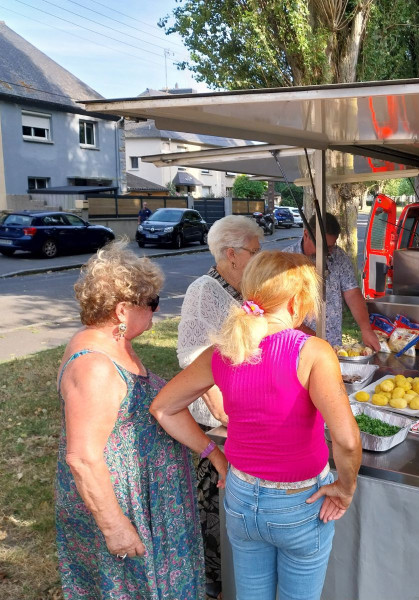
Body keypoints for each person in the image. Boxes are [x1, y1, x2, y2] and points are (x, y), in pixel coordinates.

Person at [151, 251, 362, 600]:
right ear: (296, 302)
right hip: (300, 501)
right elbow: (347, 440)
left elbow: (163, 408)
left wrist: (214, 455)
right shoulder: (312, 352)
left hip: (240, 496)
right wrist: (345, 487)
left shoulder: (222, 352)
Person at [55, 241, 203, 599]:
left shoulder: (116, 343)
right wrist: (115, 526)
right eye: (151, 303)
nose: (155, 311)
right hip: (124, 503)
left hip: (148, 496)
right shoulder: (94, 366)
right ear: (123, 310)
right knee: (129, 588)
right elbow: (83, 457)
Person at [176, 215, 263, 599]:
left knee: (229, 493)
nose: (259, 260)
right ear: (231, 254)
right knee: (212, 495)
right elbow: (194, 356)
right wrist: (224, 415)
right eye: (254, 253)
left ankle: (228, 570)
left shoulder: (239, 288)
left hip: (237, 409)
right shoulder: (204, 290)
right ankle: (214, 578)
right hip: (216, 415)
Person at [284, 213, 379, 350]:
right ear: (306, 235)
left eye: (330, 246)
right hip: (297, 347)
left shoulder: (338, 256)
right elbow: (282, 311)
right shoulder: (285, 261)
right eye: (322, 246)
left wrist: (366, 329)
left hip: (333, 345)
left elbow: (352, 293)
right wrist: (315, 338)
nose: (327, 252)